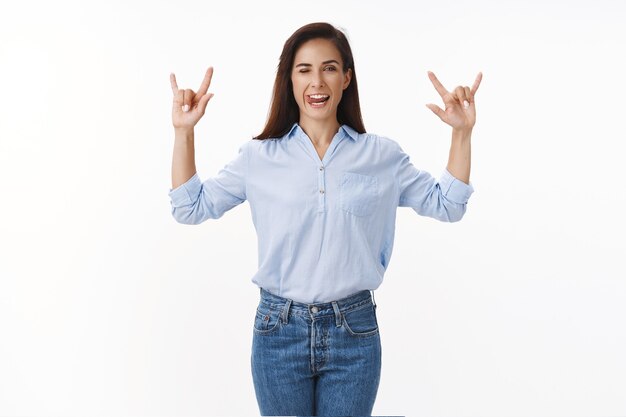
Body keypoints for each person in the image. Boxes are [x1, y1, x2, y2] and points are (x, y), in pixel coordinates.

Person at [168, 22, 481, 417]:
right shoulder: (258, 158)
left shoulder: (380, 157)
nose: (317, 81)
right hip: (278, 331)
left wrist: (462, 134)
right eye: (305, 70)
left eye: (330, 68)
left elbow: (448, 204)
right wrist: (184, 133)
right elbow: (189, 206)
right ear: (289, 79)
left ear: (346, 77)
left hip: (354, 332)